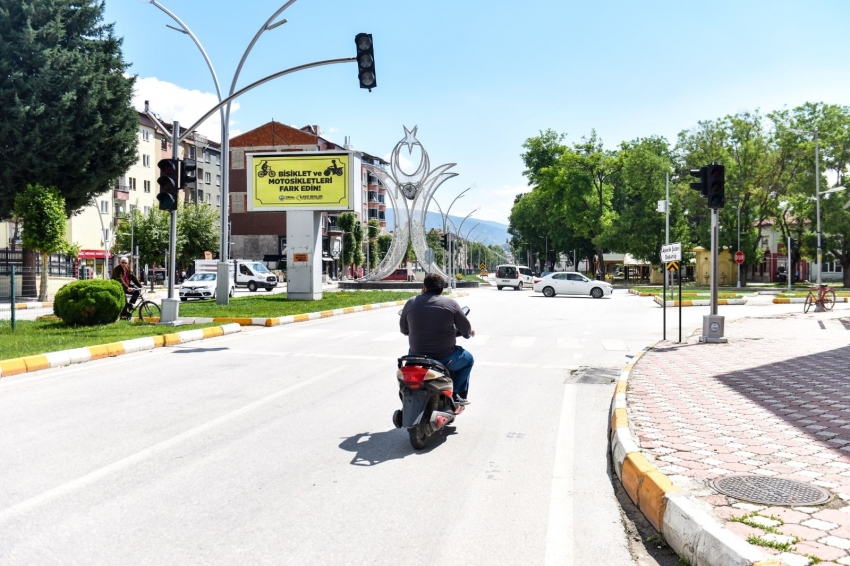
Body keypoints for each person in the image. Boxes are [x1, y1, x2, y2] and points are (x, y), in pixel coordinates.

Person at [399, 273, 475, 405]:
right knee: (468, 360)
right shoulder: (451, 304)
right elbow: (466, 331)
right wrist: (467, 333)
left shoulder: (411, 302)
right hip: (445, 358)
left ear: (424, 287)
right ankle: (456, 393)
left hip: (416, 357)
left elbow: (404, 330)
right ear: (442, 289)